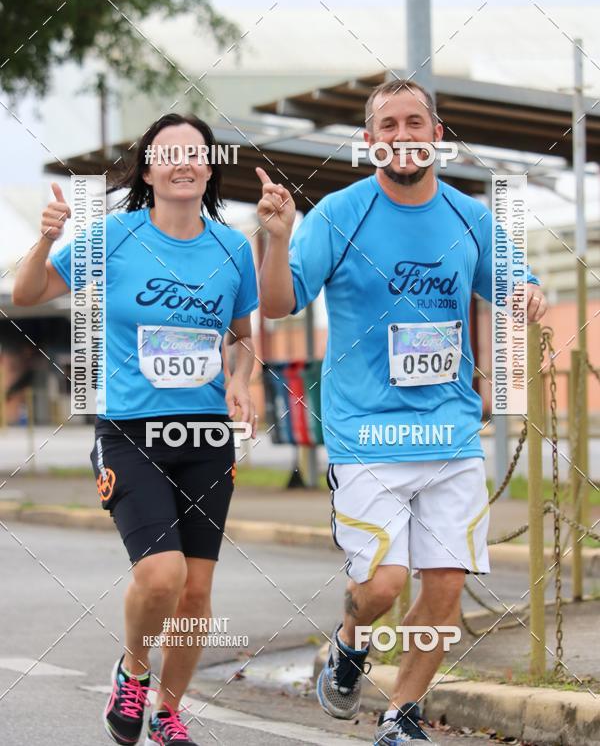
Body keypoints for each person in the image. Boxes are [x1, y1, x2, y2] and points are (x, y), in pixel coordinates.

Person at [255, 80, 547, 744]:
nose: (402, 134)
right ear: (369, 141)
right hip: (366, 435)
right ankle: (350, 640)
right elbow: (278, 304)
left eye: (415, 122)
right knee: (383, 586)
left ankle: (402, 713)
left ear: (437, 134)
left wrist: (528, 294)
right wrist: (277, 239)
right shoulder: (338, 213)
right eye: (387, 125)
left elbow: (515, 281)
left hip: (450, 434)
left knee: (444, 591)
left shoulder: (469, 217)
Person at [13, 113, 258, 746]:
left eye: (195, 153)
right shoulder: (111, 237)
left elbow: (242, 337)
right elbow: (29, 291)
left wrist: (240, 378)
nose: (183, 163)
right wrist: (45, 239)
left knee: (196, 591)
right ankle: (134, 670)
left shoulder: (233, 248)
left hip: (206, 437)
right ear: (147, 171)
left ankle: (169, 712)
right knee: (161, 575)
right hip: (130, 430)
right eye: (168, 154)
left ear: (210, 167)